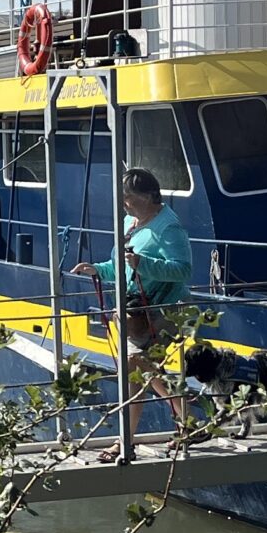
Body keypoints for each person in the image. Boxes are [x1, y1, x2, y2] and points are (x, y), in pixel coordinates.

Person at [66, 167, 194, 450]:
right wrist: (97, 270)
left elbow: (183, 270)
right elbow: (119, 266)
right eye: (122, 198)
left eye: (129, 197)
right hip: (136, 312)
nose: (124, 203)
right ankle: (129, 439)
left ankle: (185, 419)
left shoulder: (168, 227)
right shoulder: (130, 222)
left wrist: (143, 265)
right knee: (133, 375)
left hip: (164, 310)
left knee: (136, 365)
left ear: (149, 196)